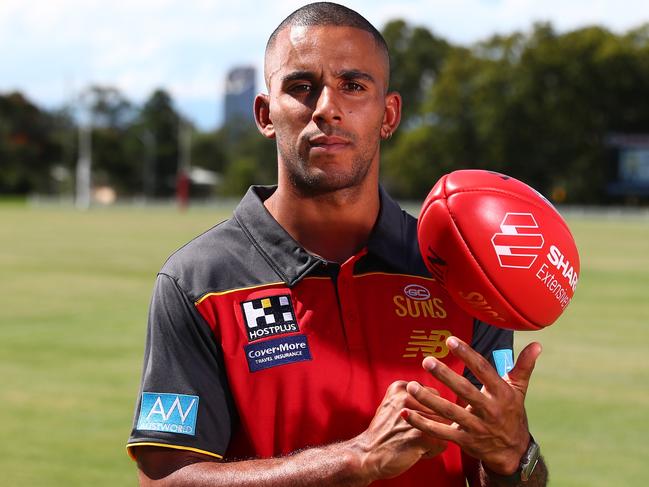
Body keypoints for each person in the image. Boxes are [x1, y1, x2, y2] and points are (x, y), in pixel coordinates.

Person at [127, 2, 549, 485]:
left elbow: (507, 474)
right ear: (266, 114)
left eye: (353, 86)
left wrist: (517, 456)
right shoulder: (199, 280)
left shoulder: (459, 270)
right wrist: (354, 460)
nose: (327, 107)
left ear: (388, 114)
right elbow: (164, 479)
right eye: (302, 87)